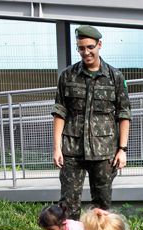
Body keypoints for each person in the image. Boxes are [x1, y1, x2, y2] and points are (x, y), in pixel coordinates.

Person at [51, 24, 132, 220]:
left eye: (90, 47)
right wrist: (56, 148)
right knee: (68, 205)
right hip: (72, 150)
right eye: (81, 48)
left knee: (102, 206)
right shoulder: (67, 76)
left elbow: (124, 114)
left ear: (99, 45)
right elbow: (60, 112)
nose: (85, 52)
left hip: (104, 151)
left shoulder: (115, 77)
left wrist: (122, 149)